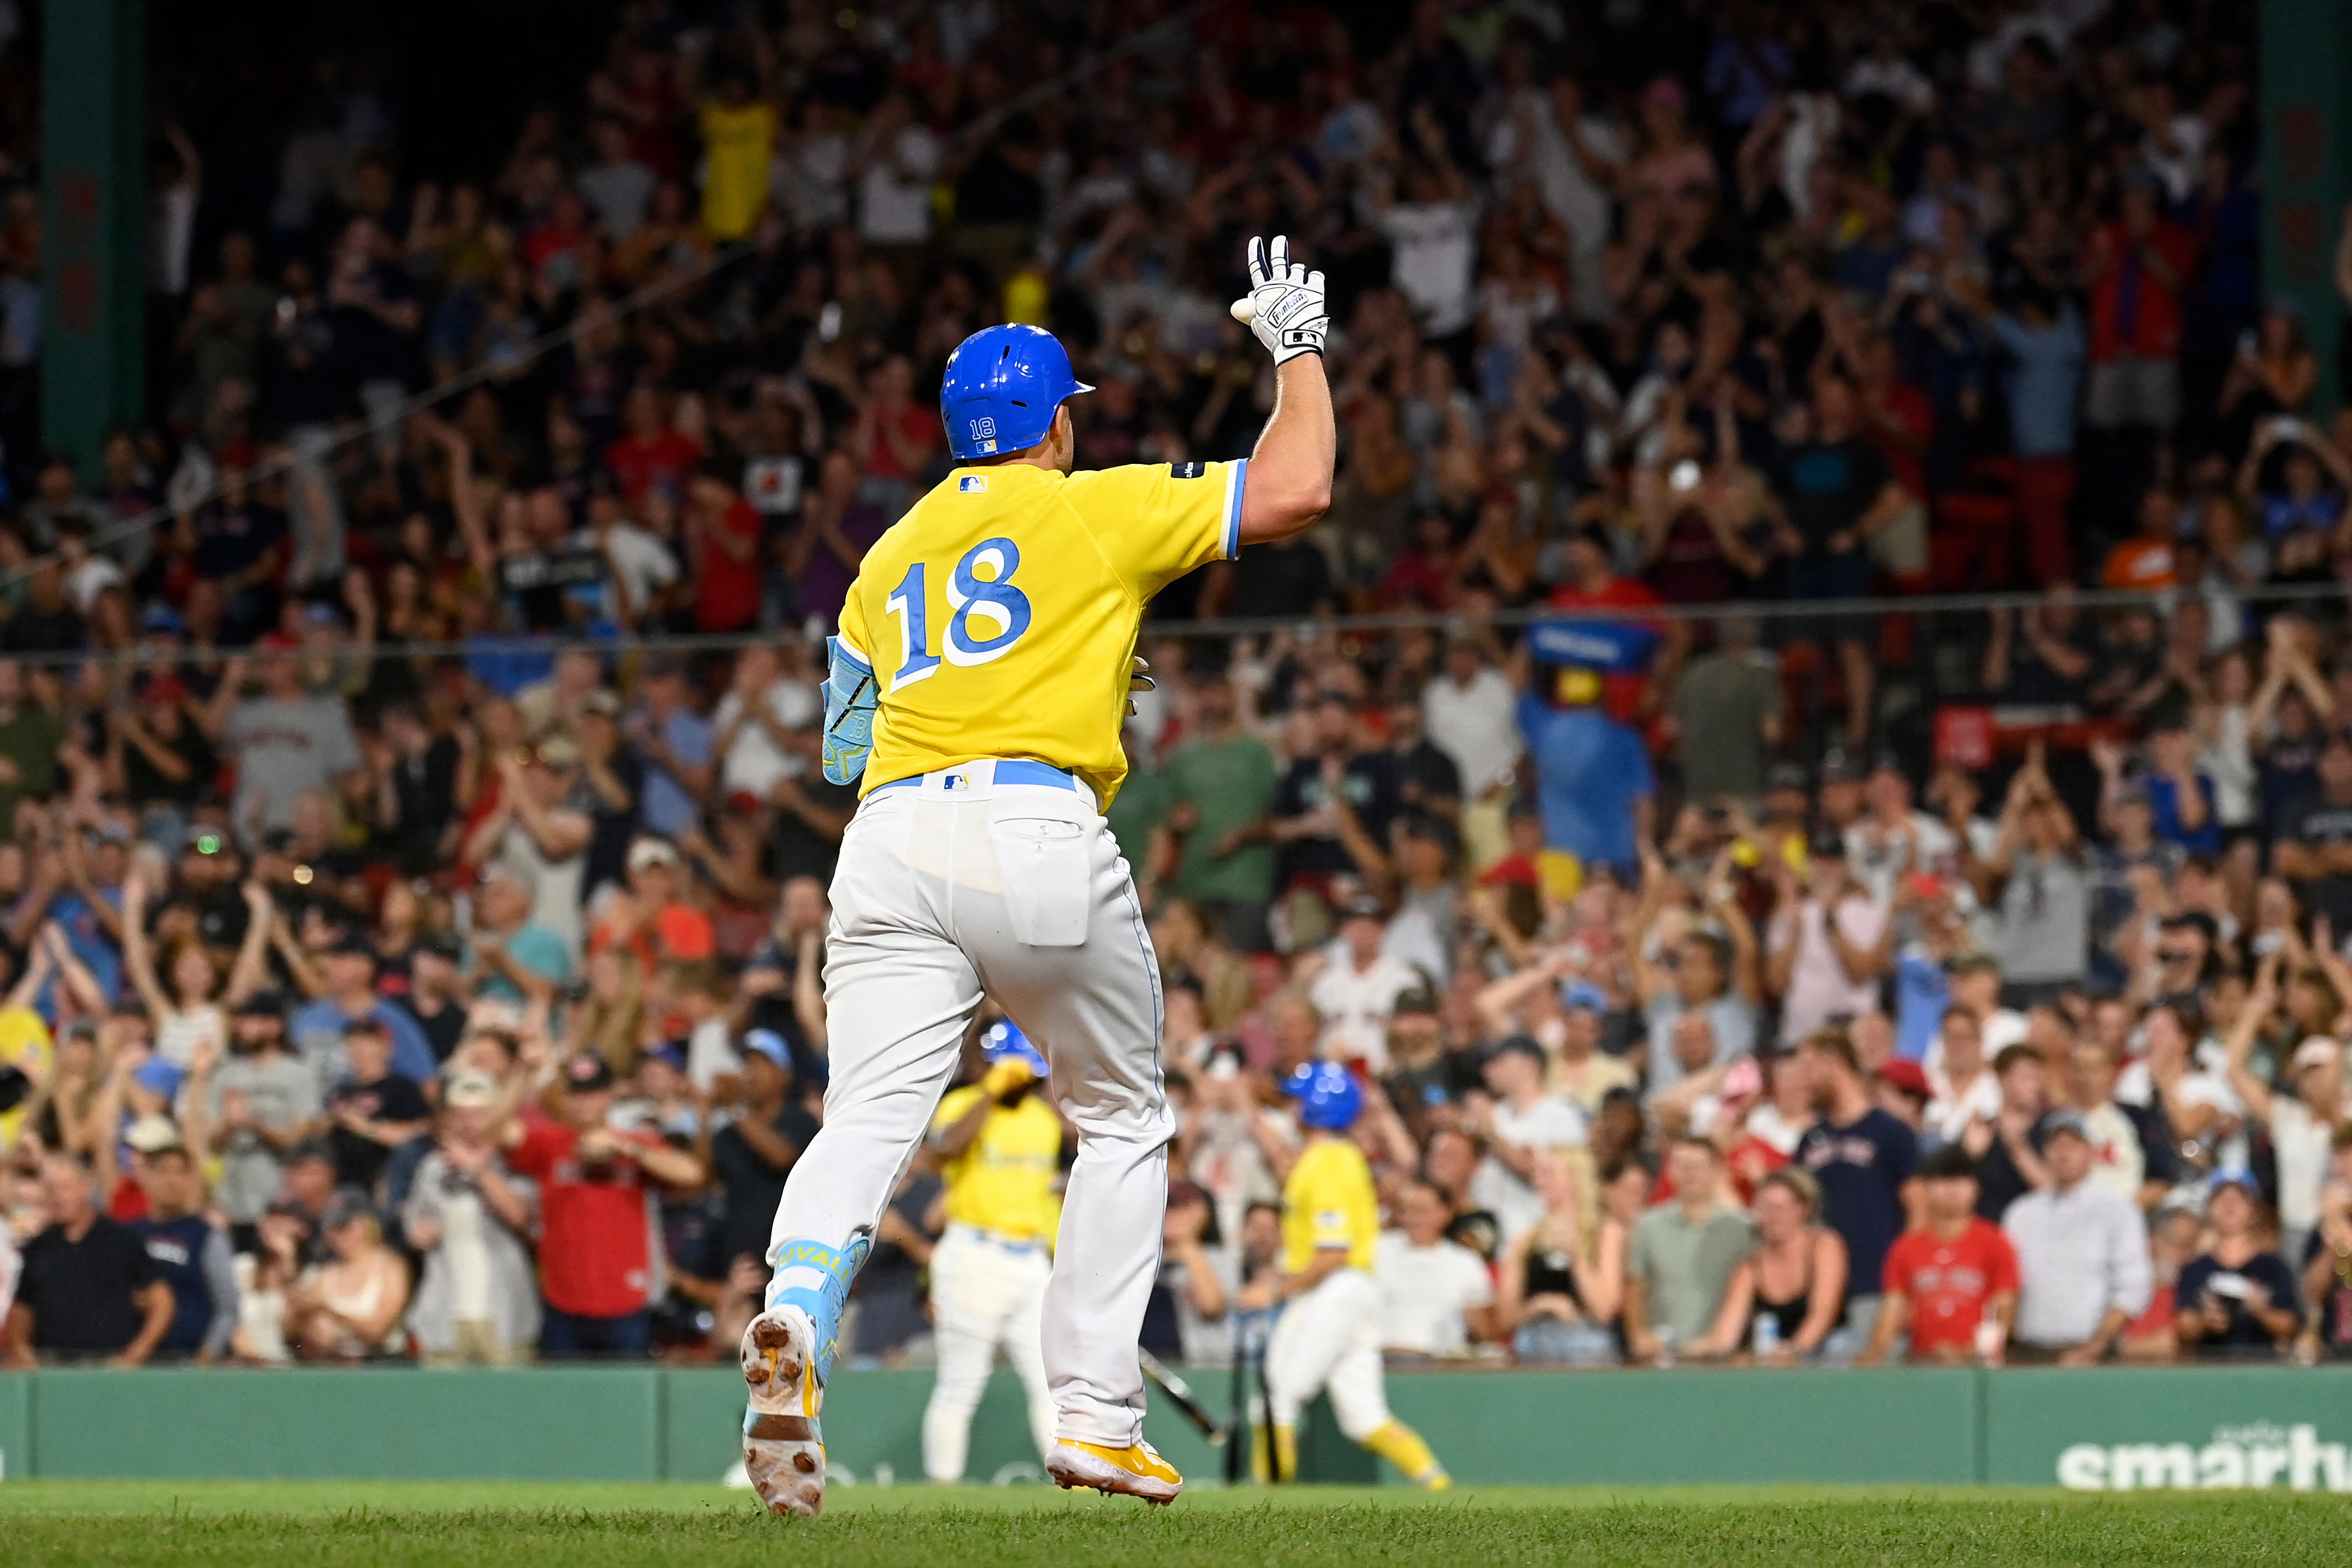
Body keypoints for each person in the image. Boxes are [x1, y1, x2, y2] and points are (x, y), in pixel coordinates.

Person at [746, 241, 1339, 1514]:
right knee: (1124, 1116)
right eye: (1074, 412)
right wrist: (1297, 349)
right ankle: (1092, 1417)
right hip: (1034, 820)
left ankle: (796, 1301)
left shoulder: (887, 556)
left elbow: (848, 742)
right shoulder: (1092, 503)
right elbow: (1295, 491)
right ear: (1057, 422)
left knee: (865, 1120)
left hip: (894, 835)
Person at [1244, 1062, 1450, 1488]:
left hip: (1334, 1289)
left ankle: (1264, 1501)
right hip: (1353, 1290)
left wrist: (1276, 1291)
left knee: (1277, 1396)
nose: (1292, 1107)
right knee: (1365, 1418)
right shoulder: (1333, 1157)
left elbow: (1332, 1252)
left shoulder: (1327, 1163)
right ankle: (1438, 1487)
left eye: (1299, 1100)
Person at [920, 1022, 1061, 1486]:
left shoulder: (1043, 1122)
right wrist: (988, 1092)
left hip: (1031, 1261)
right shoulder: (964, 1105)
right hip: (974, 1255)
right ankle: (943, 1490)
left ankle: (1076, 1491)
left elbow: (1039, 1197)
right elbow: (944, 1148)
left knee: (1049, 1384)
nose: (1027, 1080)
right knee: (962, 1384)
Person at [504, 1052, 704, 1358]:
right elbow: (499, 1133)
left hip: (626, 1301)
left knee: (628, 1402)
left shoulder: (633, 1141)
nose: (586, 1103)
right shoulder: (552, 1143)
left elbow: (692, 1173)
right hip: (564, 1301)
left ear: (610, 1095)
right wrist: (521, 1075)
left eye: (594, 1093)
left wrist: (625, 1148)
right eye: (578, 1094)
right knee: (563, 1402)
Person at [401, 1072, 540, 1367]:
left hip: (504, 1310)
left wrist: (478, 1169)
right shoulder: (432, 1168)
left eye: (479, 1115)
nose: (468, 1123)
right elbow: (413, 1230)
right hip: (445, 1310)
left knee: (510, 1404)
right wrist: (423, 1232)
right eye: (460, 1115)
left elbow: (520, 1216)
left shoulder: (515, 1161)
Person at [1793, 1030, 1918, 1353]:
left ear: (1835, 1061)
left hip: (1875, 1285)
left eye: (1809, 1069)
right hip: (1818, 1289)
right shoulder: (1810, 1141)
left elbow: (1918, 1211)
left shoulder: (1891, 1132)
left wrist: (1906, 1286)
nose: (1802, 1081)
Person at [2002, 1111, 2153, 1364]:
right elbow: (2007, 1283)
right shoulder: (2021, 1213)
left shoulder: (2118, 1211)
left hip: (2092, 1352)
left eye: (2074, 1145)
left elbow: (2133, 1289)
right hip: (2027, 1351)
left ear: (2092, 1153)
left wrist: (2094, 1348)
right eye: (2056, 1145)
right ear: (2044, 1153)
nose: (2064, 1154)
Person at [5, 1152, 173, 1365]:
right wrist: (21, 1350)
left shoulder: (122, 1240)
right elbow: (22, 1310)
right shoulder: (38, 1247)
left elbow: (162, 1302)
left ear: (86, 1188)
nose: (58, 1197)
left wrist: (135, 1355)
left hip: (107, 1368)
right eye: (51, 1190)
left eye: (65, 1188)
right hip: (52, 1367)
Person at [1861, 1144, 2020, 1365]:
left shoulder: (1995, 1242)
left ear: (1977, 1188)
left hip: (1978, 1366)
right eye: (1944, 1180)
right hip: (1922, 1362)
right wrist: (1876, 1354)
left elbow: (2004, 1310)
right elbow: (1894, 1307)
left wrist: (1969, 1353)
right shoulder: (1906, 1247)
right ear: (1926, 1187)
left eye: (1963, 1180)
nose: (1953, 1190)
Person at [1692, 1168, 1849, 1363]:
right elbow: (1726, 1334)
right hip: (1773, 1358)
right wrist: (1691, 1350)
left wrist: (1794, 1350)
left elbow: (1823, 1314)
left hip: (1824, 1353)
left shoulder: (1824, 1245)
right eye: (1765, 1208)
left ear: (1803, 1210)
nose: (1773, 1216)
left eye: (1781, 1208)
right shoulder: (1750, 1266)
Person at [1624, 1137, 1757, 1362]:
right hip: (1662, 1352)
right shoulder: (1647, 1226)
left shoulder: (1742, 1230)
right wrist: (1638, 1335)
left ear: (1717, 1171)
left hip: (1723, 1356)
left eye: (1699, 1166)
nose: (1691, 1174)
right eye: (1682, 1165)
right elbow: (1635, 1286)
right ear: (1670, 1171)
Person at [1496, 1152, 1617, 1365]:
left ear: (1575, 1178)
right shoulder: (1524, 1241)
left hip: (1589, 1345)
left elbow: (1604, 1310)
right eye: (1538, 1174)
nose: (1539, 1181)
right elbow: (1505, 1317)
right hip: (1534, 1345)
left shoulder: (1606, 1233)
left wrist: (1577, 1256)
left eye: (1548, 1173)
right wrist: (1541, 1305)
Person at [130, 1140, 239, 1363]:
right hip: (137, 1359)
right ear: (146, 1177)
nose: (172, 1181)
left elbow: (227, 1308)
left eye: (180, 1173)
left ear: (190, 1180)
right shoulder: (129, 1235)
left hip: (189, 1358)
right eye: (164, 1172)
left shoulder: (206, 1236)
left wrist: (205, 1358)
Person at [2174, 1169, 2302, 1358]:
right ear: (2210, 1209)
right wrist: (2204, 1321)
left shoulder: (2273, 1266)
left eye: (2239, 1200)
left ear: (2254, 1210)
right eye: (2221, 1200)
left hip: (2261, 1369)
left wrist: (2262, 1313)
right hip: (2209, 1370)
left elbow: (2291, 1326)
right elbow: (2182, 1328)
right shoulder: (2195, 1268)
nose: (2230, 1207)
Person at [1373, 1179, 1497, 1358]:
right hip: (1381, 1357)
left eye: (1421, 1211)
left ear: (1446, 1213)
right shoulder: (1376, 1251)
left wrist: (1475, 1321)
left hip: (1440, 1363)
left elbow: (1485, 1331)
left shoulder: (1465, 1262)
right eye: (1405, 1210)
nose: (1411, 1218)